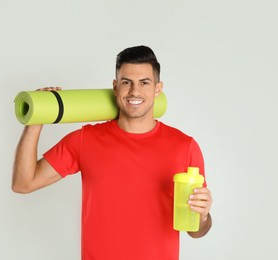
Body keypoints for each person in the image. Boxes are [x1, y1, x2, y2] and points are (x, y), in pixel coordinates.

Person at [12, 45, 212, 260]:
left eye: (144, 82)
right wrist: (35, 122)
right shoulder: (84, 140)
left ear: (158, 88)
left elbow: (197, 231)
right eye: (127, 82)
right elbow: (23, 183)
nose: (135, 91)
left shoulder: (184, 147)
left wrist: (202, 216)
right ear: (115, 87)